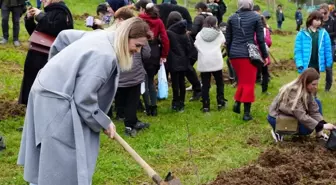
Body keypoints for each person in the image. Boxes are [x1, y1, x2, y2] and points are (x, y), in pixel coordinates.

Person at [17, 17, 152, 185]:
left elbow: (64, 37)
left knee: (48, 153)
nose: (137, 51)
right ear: (125, 37)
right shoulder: (105, 55)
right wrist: (104, 122)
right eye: (137, 45)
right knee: (64, 155)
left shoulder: (100, 35)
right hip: (55, 101)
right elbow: (84, 98)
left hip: (43, 91)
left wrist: (57, 72)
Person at [18, 0, 74, 105]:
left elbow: (56, 32)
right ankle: (30, 103)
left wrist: (41, 16)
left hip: (47, 58)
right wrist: (30, 20)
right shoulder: (50, 11)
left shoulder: (62, 12)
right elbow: (39, 35)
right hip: (37, 54)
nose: (42, 0)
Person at [107, 8, 150, 136]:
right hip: (134, 73)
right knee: (132, 100)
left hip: (118, 75)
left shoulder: (112, 34)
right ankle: (130, 125)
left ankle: (120, 116)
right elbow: (147, 54)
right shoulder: (139, 34)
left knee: (119, 96)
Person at [226, 0, 268, 121]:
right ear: (251, 4)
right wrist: (264, 55)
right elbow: (260, 39)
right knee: (249, 83)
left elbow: (228, 39)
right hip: (248, 54)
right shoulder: (256, 17)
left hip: (234, 54)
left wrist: (230, 54)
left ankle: (237, 103)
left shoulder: (232, 17)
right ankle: (246, 114)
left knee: (242, 81)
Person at [268, 68, 336, 142]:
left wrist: (324, 123)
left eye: (317, 84)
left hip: (292, 114)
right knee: (306, 129)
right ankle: (278, 131)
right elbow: (301, 116)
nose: (316, 87)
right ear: (305, 82)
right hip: (277, 117)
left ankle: (319, 134)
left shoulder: (307, 90)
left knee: (317, 102)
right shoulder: (293, 92)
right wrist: (322, 126)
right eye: (313, 84)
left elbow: (314, 111)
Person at [138, 2, 170, 116]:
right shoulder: (159, 21)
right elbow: (165, 39)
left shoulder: (139, 19)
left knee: (144, 80)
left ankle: (147, 106)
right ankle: (154, 107)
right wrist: (164, 55)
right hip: (155, 51)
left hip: (141, 49)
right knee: (151, 80)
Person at [195, 16, 227, 112]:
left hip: (204, 61)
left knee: (205, 84)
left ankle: (205, 105)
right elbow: (224, 42)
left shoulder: (200, 34)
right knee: (219, 83)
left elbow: (196, 44)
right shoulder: (219, 33)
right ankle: (220, 102)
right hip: (216, 60)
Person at [166, 11, 192, 112]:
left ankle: (175, 102)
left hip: (173, 61)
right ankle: (182, 102)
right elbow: (189, 47)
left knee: (175, 83)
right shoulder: (185, 33)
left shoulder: (169, 33)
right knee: (182, 81)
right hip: (184, 60)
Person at [319, 4, 336, 92]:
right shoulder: (318, 21)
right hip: (319, 46)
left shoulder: (333, 21)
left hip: (330, 45)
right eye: (321, 13)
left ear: (328, 12)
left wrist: (325, 35)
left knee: (328, 66)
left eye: (324, 13)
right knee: (317, 64)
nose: (323, 15)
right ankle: (314, 85)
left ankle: (327, 86)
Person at [255, 15, 272, 94]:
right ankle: (264, 90)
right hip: (263, 52)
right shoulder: (265, 30)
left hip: (253, 52)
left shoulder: (251, 30)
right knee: (265, 72)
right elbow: (269, 42)